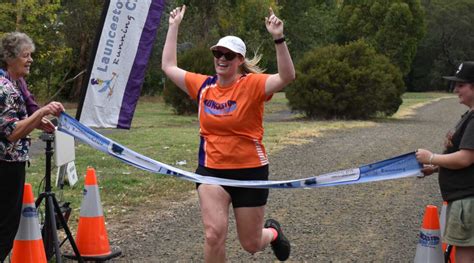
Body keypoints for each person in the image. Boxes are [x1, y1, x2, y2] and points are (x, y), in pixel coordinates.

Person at [161, 5, 295, 262]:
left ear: (239, 60)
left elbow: (288, 76)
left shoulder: (252, 85)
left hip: (250, 172)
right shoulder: (203, 86)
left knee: (251, 244)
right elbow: (168, 66)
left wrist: (278, 38)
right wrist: (173, 26)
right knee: (213, 234)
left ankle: (273, 233)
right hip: (212, 171)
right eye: (218, 53)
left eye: (229, 55)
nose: (222, 58)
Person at [0, 32, 64, 262]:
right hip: (5, 166)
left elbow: (14, 123)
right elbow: (12, 133)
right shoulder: (4, 89)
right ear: (9, 58)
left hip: (10, 164)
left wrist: (38, 122)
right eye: (26, 55)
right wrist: (41, 112)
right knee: (5, 229)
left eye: (31, 55)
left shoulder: (15, 83)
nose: (30, 60)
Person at [416, 61, 474, 262]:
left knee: (466, 255)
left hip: (468, 201)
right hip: (465, 199)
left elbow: (466, 158)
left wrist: (431, 157)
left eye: (461, 85)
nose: (456, 89)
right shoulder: (469, 116)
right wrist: (436, 167)